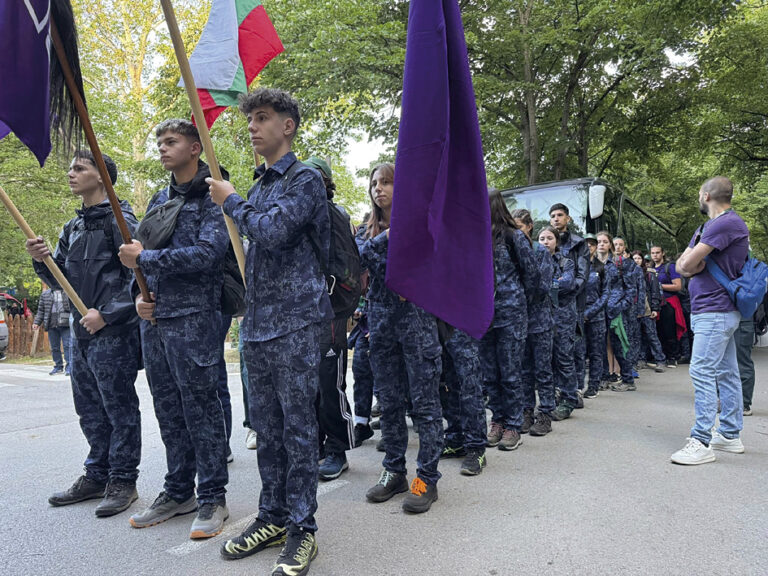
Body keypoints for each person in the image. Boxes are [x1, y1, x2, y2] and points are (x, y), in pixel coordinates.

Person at [207, 89, 332, 574]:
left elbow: (277, 232)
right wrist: (239, 201)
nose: (254, 127)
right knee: (267, 427)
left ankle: (303, 529)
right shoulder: (259, 187)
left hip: (297, 323)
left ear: (289, 126)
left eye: (263, 118)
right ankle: (274, 515)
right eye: (251, 120)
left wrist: (231, 201)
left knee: (299, 429)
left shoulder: (304, 181)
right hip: (258, 326)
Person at [119, 119, 230, 539]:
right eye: (160, 142)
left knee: (201, 409)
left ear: (195, 148)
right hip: (156, 322)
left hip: (195, 319)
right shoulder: (159, 200)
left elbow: (208, 255)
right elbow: (138, 259)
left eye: (172, 141)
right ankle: (178, 489)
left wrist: (144, 262)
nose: (163, 148)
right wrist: (138, 297)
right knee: (167, 409)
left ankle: (212, 496)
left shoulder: (212, 195)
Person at [26, 150, 142, 518]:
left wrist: (106, 315)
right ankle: (97, 473)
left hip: (113, 333)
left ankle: (123, 479)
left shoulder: (122, 221)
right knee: (88, 406)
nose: (71, 173)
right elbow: (57, 278)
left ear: (102, 176)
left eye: (80, 168)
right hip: (81, 332)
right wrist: (40, 258)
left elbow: (140, 279)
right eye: (71, 168)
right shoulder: (72, 228)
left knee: (118, 407)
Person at [360, 162, 445, 514]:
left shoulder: (422, 225)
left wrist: (398, 237)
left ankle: (426, 478)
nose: (379, 189)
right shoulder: (368, 229)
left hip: (417, 323)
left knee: (424, 405)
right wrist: (387, 237)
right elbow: (364, 258)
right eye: (375, 183)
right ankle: (394, 471)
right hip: (381, 324)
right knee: (390, 403)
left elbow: (428, 266)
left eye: (388, 183)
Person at [671, 176, 749, 465]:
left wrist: (691, 263)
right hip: (715, 310)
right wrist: (689, 263)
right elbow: (681, 265)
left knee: (702, 371)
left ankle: (701, 440)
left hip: (715, 310)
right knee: (726, 372)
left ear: (705, 195)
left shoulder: (723, 224)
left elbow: (688, 264)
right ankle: (729, 434)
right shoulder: (708, 227)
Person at [303, 156, 356, 481]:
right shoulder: (300, 213)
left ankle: (337, 448)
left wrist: (335, 303)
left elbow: (347, 269)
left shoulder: (334, 215)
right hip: (302, 314)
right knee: (307, 386)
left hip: (330, 311)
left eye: (312, 177)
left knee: (328, 380)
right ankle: (316, 447)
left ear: (324, 181)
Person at [512, 208, 555, 436]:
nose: (516, 233)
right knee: (524, 370)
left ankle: (546, 413)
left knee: (542, 369)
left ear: (529, 227)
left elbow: (543, 287)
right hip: (519, 321)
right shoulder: (512, 251)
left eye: (519, 227)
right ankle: (526, 411)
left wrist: (518, 295)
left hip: (540, 321)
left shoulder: (540, 252)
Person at [549, 204, 589, 405]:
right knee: (556, 350)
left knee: (573, 348)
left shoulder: (578, 243)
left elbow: (582, 276)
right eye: (553, 216)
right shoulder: (546, 242)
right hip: (552, 305)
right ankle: (561, 390)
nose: (556, 219)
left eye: (560, 215)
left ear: (568, 218)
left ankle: (576, 390)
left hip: (573, 302)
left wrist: (567, 291)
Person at [539, 226, 578, 420]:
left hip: (563, 316)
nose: (545, 242)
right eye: (542, 238)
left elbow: (568, 283)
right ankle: (554, 394)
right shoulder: (535, 260)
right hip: (543, 317)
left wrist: (547, 284)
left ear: (557, 241)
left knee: (564, 357)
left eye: (549, 238)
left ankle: (569, 398)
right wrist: (554, 282)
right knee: (547, 359)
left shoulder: (566, 262)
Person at [583, 234, 610, 398]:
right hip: (578, 315)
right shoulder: (575, 266)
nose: (589, 247)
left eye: (592, 245)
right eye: (585, 245)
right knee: (578, 353)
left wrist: (590, 312)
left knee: (596, 353)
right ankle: (576, 387)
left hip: (596, 317)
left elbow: (606, 294)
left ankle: (594, 385)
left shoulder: (601, 268)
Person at [651, 245, 686, 368]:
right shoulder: (649, 268)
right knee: (658, 331)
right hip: (654, 303)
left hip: (669, 302)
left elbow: (678, 286)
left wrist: (658, 286)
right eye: (653, 253)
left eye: (657, 252)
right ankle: (661, 356)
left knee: (669, 330)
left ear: (662, 253)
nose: (655, 255)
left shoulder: (669, 267)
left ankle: (673, 357)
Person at [631, 251, 666, 373]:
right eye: (634, 258)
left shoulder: (650, 274)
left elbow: (655, 292)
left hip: (647, 309)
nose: (636, 260)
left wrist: (655, 308)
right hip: (634, 311)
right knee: (636, 337)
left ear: (643, 260)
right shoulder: (629, 273)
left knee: (652, 336)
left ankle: (660, 360)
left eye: (638, 258)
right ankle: (639, 359)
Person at [34, 286, 72, 375]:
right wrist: (37, 322)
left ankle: (69, 366)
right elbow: (41, 311)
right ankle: (58, 366)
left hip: (66, 324)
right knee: (54, 347)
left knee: (67, 346)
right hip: (51, 324)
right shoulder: (45, 294)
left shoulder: (68, 291)